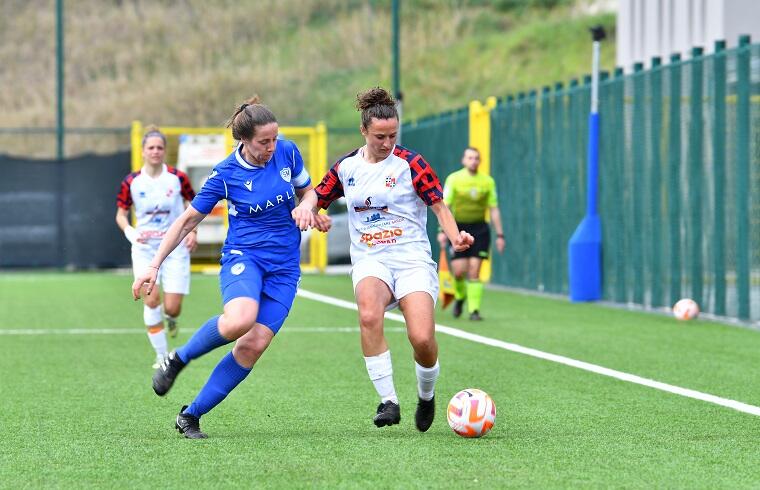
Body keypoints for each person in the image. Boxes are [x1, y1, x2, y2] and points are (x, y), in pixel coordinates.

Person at [131, 97, 328, 439]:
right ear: (245, 141)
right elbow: (187, 219)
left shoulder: (288, 151)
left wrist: (308, 209)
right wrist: (154, 265)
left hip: (284, 268)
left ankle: (190, 416)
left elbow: (308, 193)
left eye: (274, 138)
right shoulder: (225, 174)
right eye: (263, 142)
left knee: (253, 345)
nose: (271, 147)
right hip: (245, 257)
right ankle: (177, 360)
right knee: (240, 319)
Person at [314, 87, 473, 432]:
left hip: (412, 259)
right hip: (372, 259)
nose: (387, 143)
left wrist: (456, 235)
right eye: (379, 137)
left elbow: (438, 205)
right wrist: (310, 210)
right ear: (364, 131)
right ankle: (388, 401)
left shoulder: (411, 164)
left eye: (392, 135)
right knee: (369, 314)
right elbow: (317, 195)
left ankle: (426, 395)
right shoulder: (346, 167)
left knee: (422, 339)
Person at [116, 126, 197, 368]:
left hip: (175, 248)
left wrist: (193, 231)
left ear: (165, 151)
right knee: (151, 300)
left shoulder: (178, 178)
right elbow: (120, 215)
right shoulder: (131, 182)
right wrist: (131, 233)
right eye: (150, 147)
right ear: (142, 151)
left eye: (159, 147)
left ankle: (171, 319)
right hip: (144, 249)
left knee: (172, 307)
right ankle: (161, 356)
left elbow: (194, 204)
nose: (155, 151)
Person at [437, 147, 504, 321]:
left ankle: (474, 311)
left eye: (476, 158)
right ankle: (460, 297)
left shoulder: (487, 182)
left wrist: (500, 235)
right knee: (459, 272)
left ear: (479, 161)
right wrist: (442, 231)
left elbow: (494, 209)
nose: (473, 161)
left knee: (474, 271)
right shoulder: (454, 179)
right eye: (470, 158)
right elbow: (445, 207)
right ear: (463, 160)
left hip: (480, 229)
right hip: (457, 228)